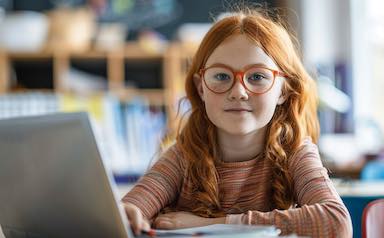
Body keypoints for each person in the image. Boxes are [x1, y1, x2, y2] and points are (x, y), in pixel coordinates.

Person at [122, 7, 352, 238]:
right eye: (221, 76)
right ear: (201, 88)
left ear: (284, 90)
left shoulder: (295, 152)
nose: (239, 92)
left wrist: (215, 224)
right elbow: (127, 212)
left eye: (257, 77)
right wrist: (126, 214)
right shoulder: (182, 156)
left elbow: (336, 223)